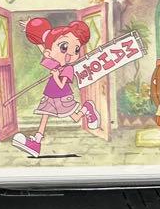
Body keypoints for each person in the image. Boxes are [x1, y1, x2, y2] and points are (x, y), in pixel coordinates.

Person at [10, 17, 99, 157]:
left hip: (63, 98)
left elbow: (62, 85)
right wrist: (32, 31)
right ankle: (36, 143)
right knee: (44, 116)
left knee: (76, 117)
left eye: (76, 49)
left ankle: (87, 108)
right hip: (50, 95)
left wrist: (56, 76)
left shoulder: (68, 69)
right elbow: (45, 50)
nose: (70, 54)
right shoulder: (54, 62)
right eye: (64, 47)